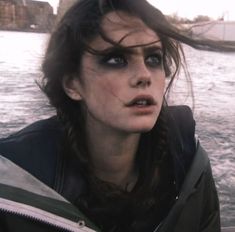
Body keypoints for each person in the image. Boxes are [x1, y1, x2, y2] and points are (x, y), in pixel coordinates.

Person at [1, 0, 234, 231]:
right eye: (116, 59)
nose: (144, 75)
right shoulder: (14, 186)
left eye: (153, 58)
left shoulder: (191, 167)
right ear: (72, 83)